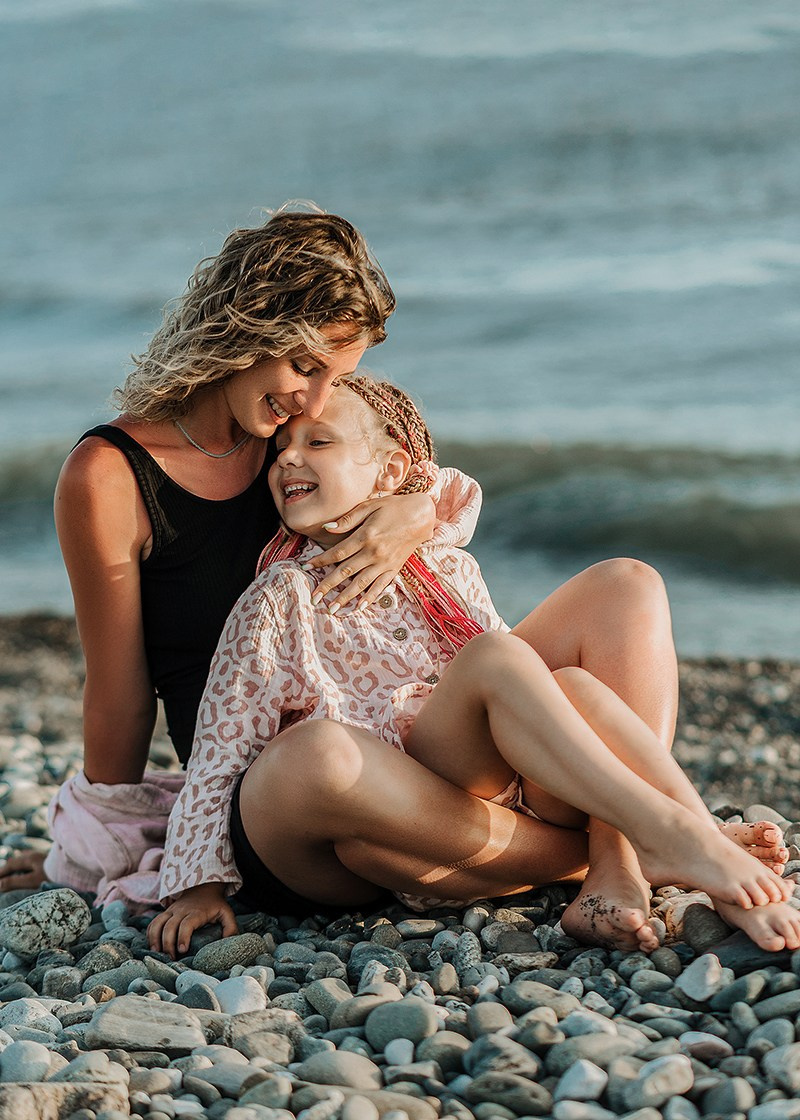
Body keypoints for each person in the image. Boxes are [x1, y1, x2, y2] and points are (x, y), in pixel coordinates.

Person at [148, 376, 799, 960]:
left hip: (484, 789)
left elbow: (455, 504)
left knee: (612, 605)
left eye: (318, 441)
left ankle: (622, 858)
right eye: (281, 448)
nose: (289, 457)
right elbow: (221, 749)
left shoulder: (446, 564)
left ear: (391, 470)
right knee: (335, 742)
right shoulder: (279, 594)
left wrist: (411, 506)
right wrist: (197, 884)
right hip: (380, 805)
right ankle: (671, 834)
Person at [0, 205, 478, 894]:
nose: (315, 404)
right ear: (246, 324)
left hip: (392, 751)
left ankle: (605, 849)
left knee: (621, 589)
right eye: (304, 367)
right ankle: (569, 855)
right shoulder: (109, 475)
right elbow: (119, 693)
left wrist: (417, 509)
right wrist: (85, 850)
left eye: (334, 379)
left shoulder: (294, 455)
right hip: (272, 796)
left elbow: (408, 480)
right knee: (317, 761)